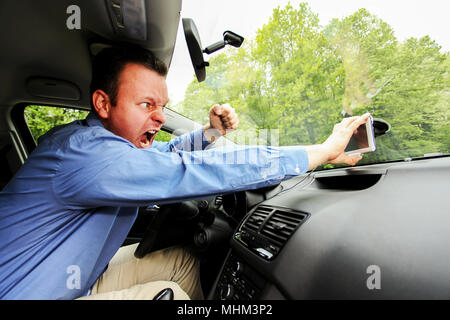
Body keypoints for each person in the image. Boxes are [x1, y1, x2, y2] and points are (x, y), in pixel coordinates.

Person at [0, 46, 370, 300]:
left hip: (71, 281)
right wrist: (320, 152)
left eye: (162, 106)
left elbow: (164, 154)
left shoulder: (99, 145)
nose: (160, 117)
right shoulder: (87, 156)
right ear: (103, 103)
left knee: (180, 260)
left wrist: (211, 134)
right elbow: (189, 169)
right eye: (146, 104)